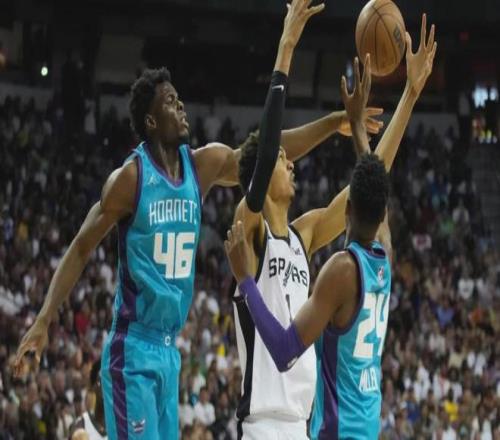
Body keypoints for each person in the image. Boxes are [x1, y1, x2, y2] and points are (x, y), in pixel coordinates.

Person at [13, 0, 385, 439]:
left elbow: (263, 150)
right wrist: (44, 318)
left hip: (170, 350)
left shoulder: (202, 166)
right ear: (151, 121)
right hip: (133, 346)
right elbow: (80, 247)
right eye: (170, 102)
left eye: (178, 98)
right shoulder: (130, 180)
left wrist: (336, 121)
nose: (181, 106)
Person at [225, 14, 437, 440]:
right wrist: (286, 48)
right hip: (263, 424)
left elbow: (369, 181)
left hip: (303, 425)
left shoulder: (303, 235)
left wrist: (407, 98)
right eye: (282, 159)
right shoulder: (249, 231)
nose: (291, 163)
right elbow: (264, 157)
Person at [69, 359, 107, 440]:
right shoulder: (80, 426)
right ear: (93, 386)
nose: (105, 386)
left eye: (110, 380)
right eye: (101, 381)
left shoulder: (126, 426)